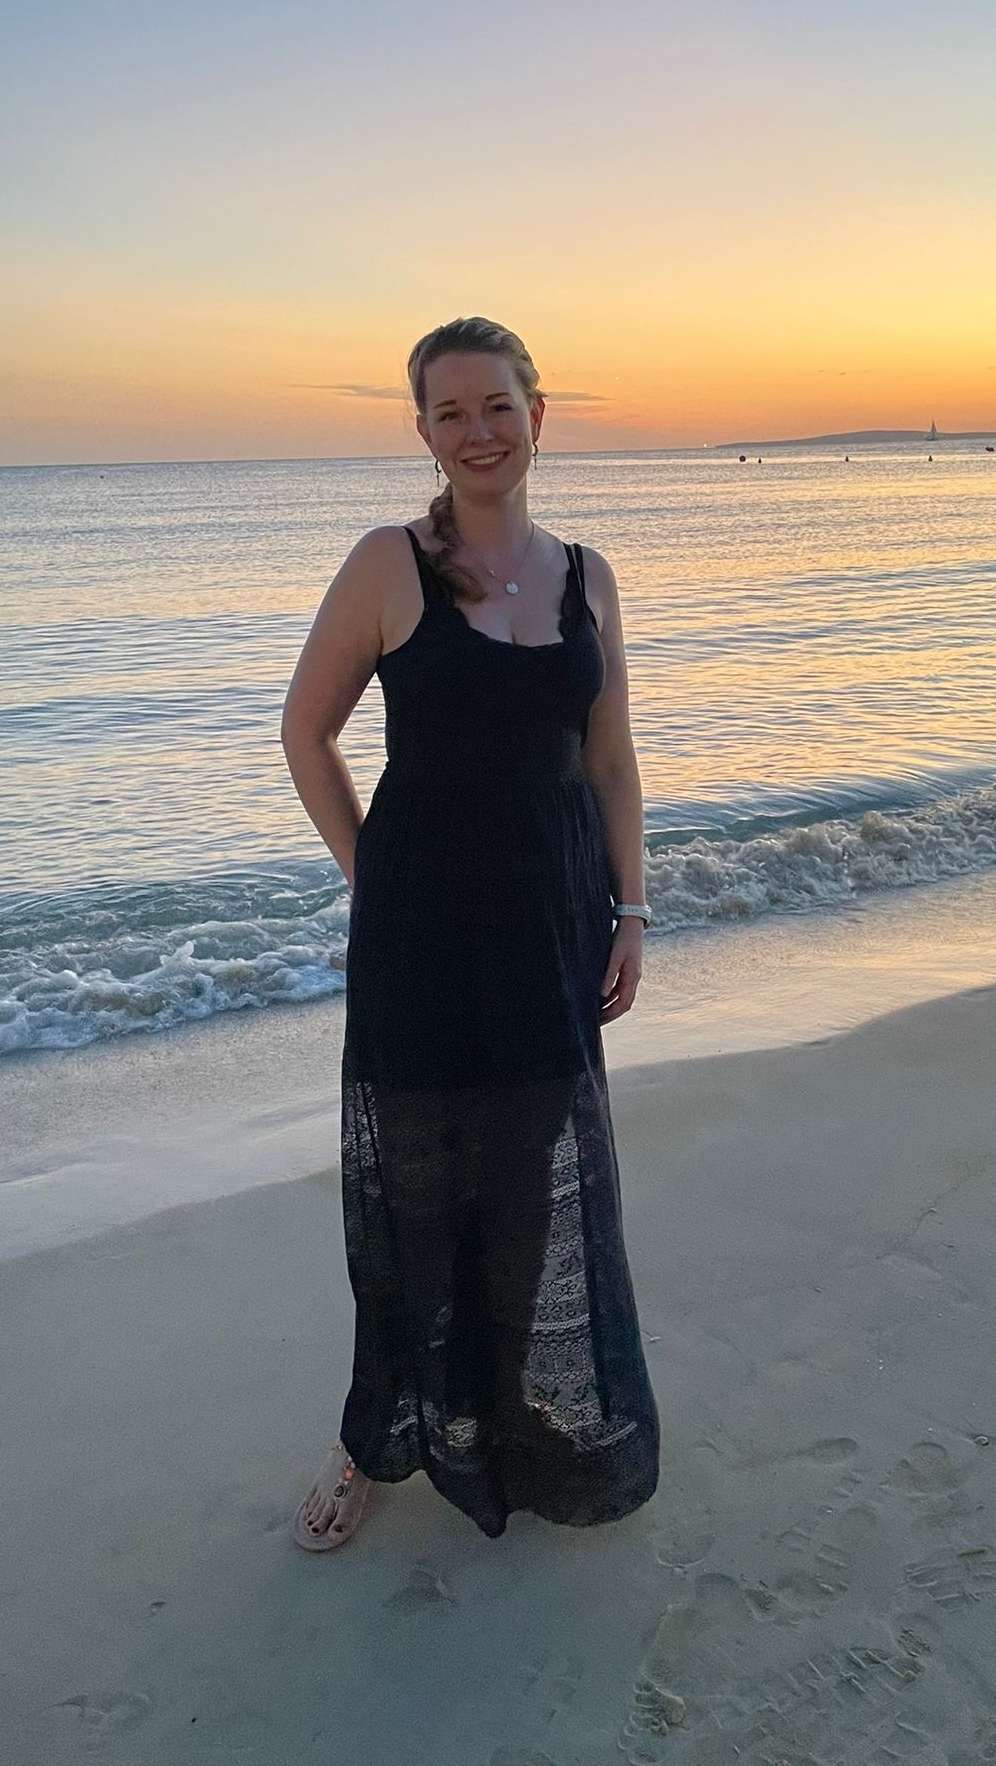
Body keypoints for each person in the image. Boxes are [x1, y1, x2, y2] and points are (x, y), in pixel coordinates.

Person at [279, 315, 661, 1549]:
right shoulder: (388, 565)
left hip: (553, 922)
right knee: (419, 1192)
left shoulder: (588, 575)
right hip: (422, 936)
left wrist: (632, 909)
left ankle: (512, 1420)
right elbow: (305, 732)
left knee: (533, 1184)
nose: (478, 430)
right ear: (425, 433)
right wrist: (374, 874)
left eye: (497, 404)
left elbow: (611, 760)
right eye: (450, 411)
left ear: (537, 416)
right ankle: (373, 1439)